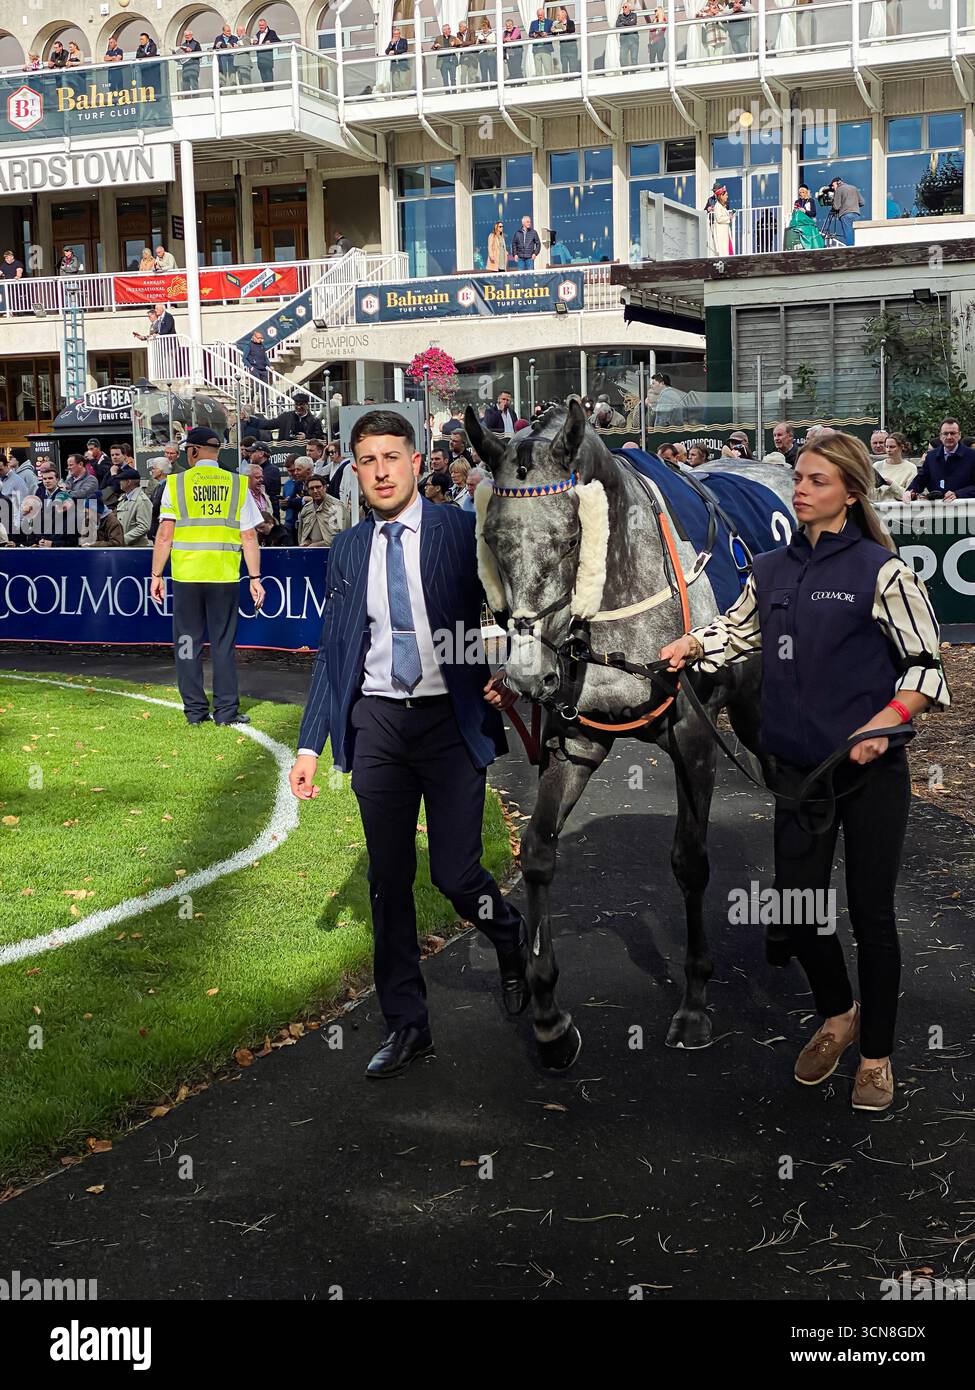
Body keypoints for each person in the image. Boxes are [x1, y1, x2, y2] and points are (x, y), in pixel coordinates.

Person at [660, 431, 950, 1113]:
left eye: (816, 480)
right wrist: (689, 643)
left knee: (872, 916)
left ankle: (874, 1056)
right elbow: (736, 630)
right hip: (794, 773)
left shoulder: (883, 571)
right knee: (799, 909)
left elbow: (925, 668)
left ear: (849, 492)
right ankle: (836, 1013)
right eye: (797, 477)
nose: (799, 489)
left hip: (869, 774)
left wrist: (885, 721)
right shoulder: (767, 569)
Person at [288, 410, 528, 1078]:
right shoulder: (348, 548)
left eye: (392, 456)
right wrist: (309, 746)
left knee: (455, 875)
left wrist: (506, 674)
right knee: (387, 880)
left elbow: (513, 613)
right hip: (379, 725)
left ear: (417, 461)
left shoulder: (460, 530)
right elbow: (335, 654)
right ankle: (407, 1025)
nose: (382, 471)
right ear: (354, 470)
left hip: (449, 724)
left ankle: (512, 939)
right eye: (367, 460)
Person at [150, 426, 265, 726]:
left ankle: (195, 712)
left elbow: (164, 535)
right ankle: (226, 712)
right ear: (217, 451)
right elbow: (249, 536)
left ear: (193, 451)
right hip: (223, 575)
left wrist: (156, 574)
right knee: (223, 644)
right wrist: (255, 578)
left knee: (187, 642)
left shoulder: (175, 484)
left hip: (187, 576)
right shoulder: (238, 484)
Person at [908, 417, 975, 500]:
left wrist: (958, 494)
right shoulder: (931, 457)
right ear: (940, 436)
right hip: (937, 510)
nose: (949, 437)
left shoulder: (972, 456)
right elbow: (920, 480)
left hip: (966, 509)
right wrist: (910, 492)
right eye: (945, 433)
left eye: (953, 433)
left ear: (959, 435)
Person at [297, 474, 344, 546]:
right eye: (312, 488)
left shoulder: (336, 506)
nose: (315, 491)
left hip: (332, 552)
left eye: (318, 487)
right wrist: (306, 542)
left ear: (325, 487)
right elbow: (302, 533)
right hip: (310, 552)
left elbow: (342, 535)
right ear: (308, 491)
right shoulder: (306, 509)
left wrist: (319, 545)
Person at [115, 467, 153, 546]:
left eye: (121, 480)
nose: (119, 483)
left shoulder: (142, 501)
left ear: (128, 482)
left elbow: (144, 526)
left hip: (137, 548)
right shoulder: (123, 498)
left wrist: (124, 539)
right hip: (125, 547)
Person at [874, 431, 916, 499]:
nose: (888, 450)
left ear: (901, 447)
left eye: (892, 447)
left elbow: (911, 495)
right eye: (886, 447)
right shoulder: (877, 465)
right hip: (878, 506)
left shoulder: (911, 468)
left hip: (899, 507)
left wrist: (891, 484)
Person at [829, 175, 864, 246]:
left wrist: (832, 202)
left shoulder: (839, 189)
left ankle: (850, 250)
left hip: (845, 215)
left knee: (848, 233)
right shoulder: (854, 188)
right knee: (856, 234)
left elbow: (836, 206)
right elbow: (862, 202)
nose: (833, 188)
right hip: (856, 214)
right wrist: (854, 205)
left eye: (833, 185)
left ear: (838, 183)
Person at [707, 184, 734, 256]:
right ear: (721, 195)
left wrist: (730, 216)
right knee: (724, 250)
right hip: (721, 232)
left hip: (724, 232)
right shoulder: (717, 205)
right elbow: (719, 218)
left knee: (728, 250)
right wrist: (729, 218)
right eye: (726, 195)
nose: (727, 197)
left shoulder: (722, 205)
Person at [528, 8, 554, 76]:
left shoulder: (550, 22)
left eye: (541, 15)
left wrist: (547, 34)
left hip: (546, 48)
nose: (540, 16)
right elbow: (530, 34)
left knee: (548, 69)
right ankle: (539, 84)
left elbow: (553, 33)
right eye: (538, 15)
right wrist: (534, 34)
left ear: (544, 14)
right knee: (538, 70)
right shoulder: (533, 23)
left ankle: (550, 83)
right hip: (536, 49)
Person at [254, 18, 280, 86]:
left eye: (262, 25)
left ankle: (271, 92)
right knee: (263, 79)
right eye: (260, 25)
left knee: (269, 78)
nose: (261, 27)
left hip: (267, 59)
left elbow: (278, 41)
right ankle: (266, 92)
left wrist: (270, 41)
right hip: (260, 60)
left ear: (266, 25)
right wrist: (254, 43)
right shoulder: (257, 34)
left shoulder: (271, 32)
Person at [617, 1, 640, 69]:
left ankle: (634, 73)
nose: (624, 8)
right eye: (623, 7)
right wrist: (627, 22)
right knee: (622, 58)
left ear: (629, 8)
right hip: (624, 41)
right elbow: (617, 25)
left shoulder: (634, 15)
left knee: (634, 58)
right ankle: (625, 74)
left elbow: (633, 23)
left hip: (633, 40)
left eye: (625, 7)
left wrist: (623, 22)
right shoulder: (620, 16)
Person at [476, 18, 497, 83]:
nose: (484, 30)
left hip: (491, 54)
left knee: (492, 71)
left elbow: (495, 44)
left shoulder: (492, 34)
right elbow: (476, 46)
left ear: (488, 27)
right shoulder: (480, 35)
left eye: (485, 28)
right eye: (483, 28)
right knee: (483, 71)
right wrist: (479, 43)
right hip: (483, 55)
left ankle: (493, 85)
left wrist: (488, 42)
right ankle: (484, 86)